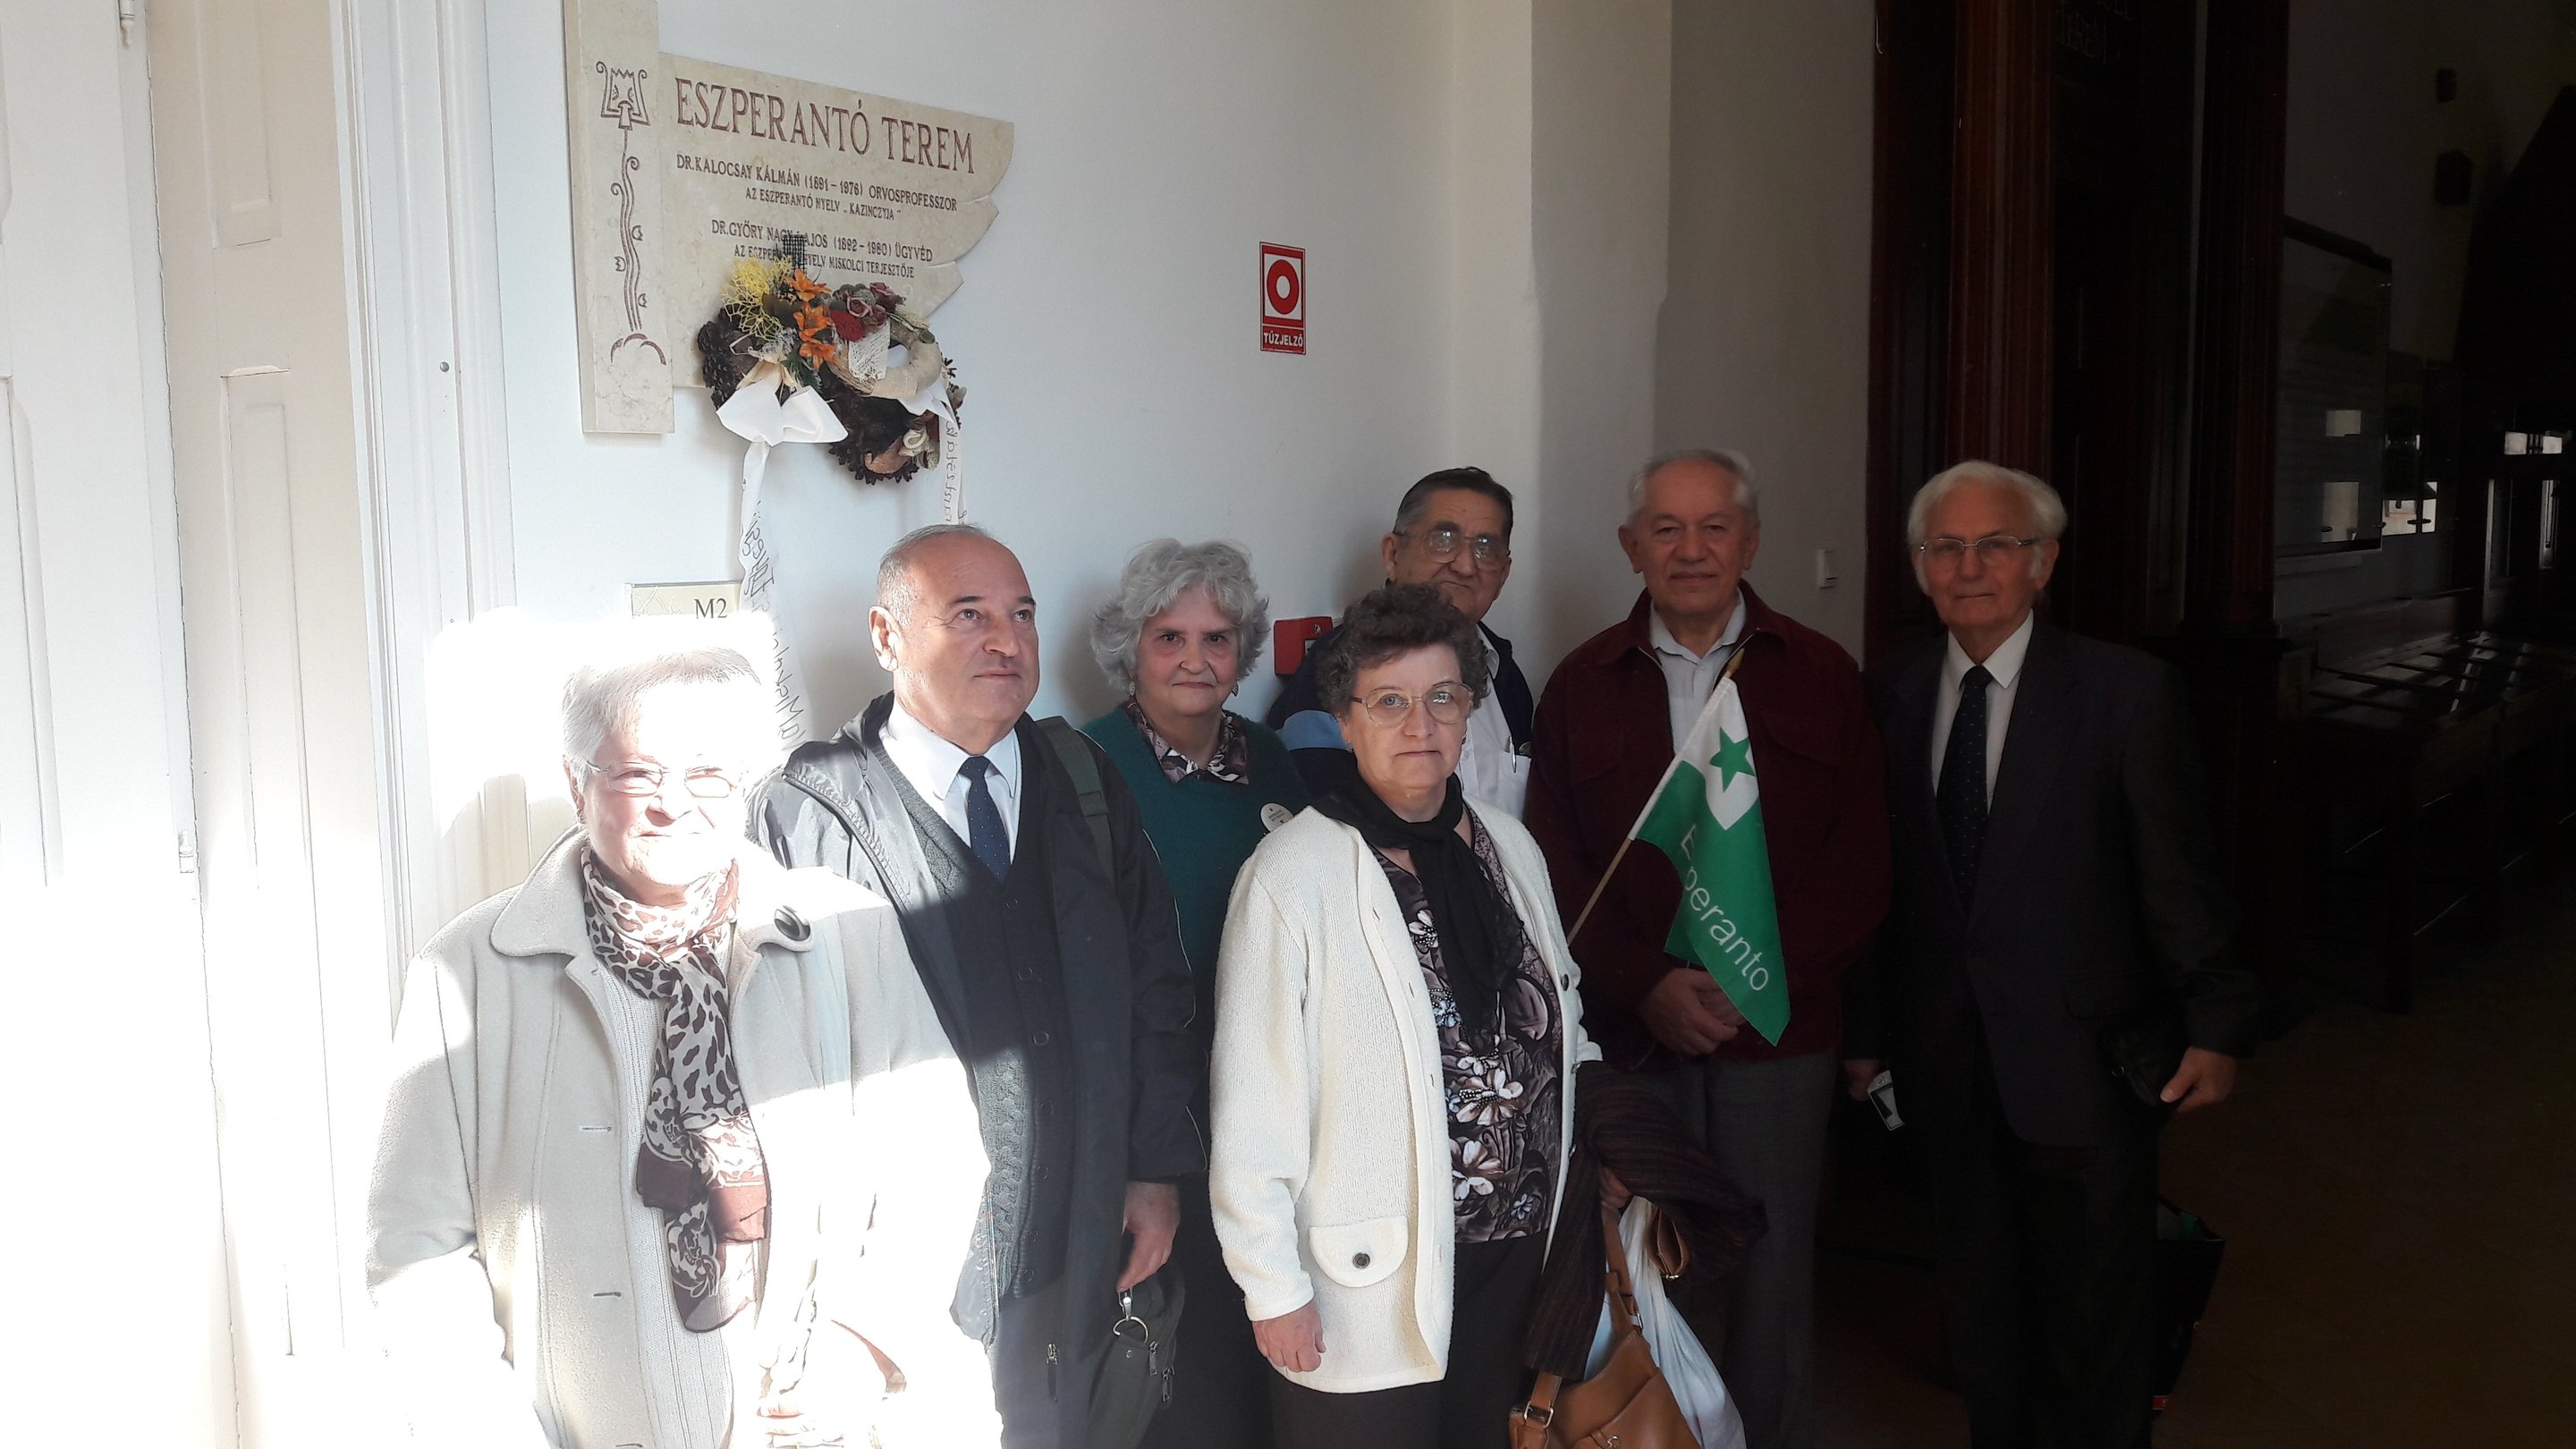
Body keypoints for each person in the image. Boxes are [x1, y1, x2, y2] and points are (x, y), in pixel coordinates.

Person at [369, 644, 996, 1449]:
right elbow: (416, 1252)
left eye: (707, 773)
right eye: (637, 773)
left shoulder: (849, 931)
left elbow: (937, 1160)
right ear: (576, 784)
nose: (674, 804)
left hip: (828, 1424)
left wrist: (866, 1344)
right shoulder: (466, 970)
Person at [754, 524, 1201, 1449]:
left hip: (1081, 1247)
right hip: (901, 1275)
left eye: (1022, 615)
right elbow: (776, 1061)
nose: (1007, 641)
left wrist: (1154, 1170)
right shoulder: (810, 811)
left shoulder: (1084, 780)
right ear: (886, 637)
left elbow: (1158, 986)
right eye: (969, 616)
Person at [1847, 461, 2259, 1449]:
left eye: (1997, 545)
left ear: (2044, 562)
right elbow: (1875, 886)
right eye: (1947, 548)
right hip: (1946, 1059)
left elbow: (2177, 871)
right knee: (1981, 1307)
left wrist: (2217, 1021)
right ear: (1920, 567)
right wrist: (1865, 1034)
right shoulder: (1889, 692)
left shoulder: (2126, 692)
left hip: (2086, 1062)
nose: (1970, 567)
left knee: (2095, 1317)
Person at [1523, 450, 1890, 1449]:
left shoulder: (1821, 674)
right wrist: (1646, 983)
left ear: (1751, 541)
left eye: (1714, 526)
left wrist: (1745, 980)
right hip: (1635, 1037)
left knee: (1775, 1274)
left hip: (1779, 1031)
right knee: (1645, 1262)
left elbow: (1860, 865)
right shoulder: (1581, 683)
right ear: (1631, 546)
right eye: (1667, 529)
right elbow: (1553, 866)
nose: (1691, 550)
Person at [1211, 582, 1605, 1449]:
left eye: (1442, 698)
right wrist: (1272, 1287)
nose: (1419, 725)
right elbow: (1253, 1104)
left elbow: (1563, 1019)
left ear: (1468, 711)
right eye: (1389, 702)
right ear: (1345, 721)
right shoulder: (1292, 874)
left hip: (1521, 1260)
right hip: (1368, 1282)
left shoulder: (1510, 845)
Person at [1080, 538, 1308, 1449]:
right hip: (1157, 1103)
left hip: (1270, 1091)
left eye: (1217, 638)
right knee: (1189, 1349)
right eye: (1168, 637)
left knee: (1274, 1322)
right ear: (1130, 649)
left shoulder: (1274, 761)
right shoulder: (1083, 766)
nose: (1194, 659)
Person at [1266, 467, 1535, 815]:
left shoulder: (1506, 676)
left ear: (1504, 573)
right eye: (1444, 539)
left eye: (1486, 548)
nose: (1466, 566)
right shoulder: (1336, 671)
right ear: (1393, 554)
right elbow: (1319, 817)